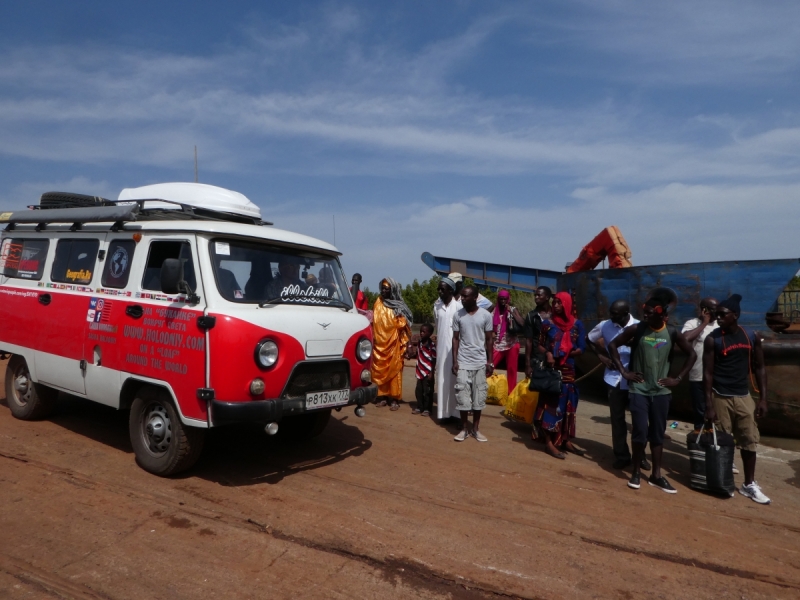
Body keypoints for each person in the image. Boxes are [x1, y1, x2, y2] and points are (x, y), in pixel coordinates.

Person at [609, 291, 696, 494]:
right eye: (644, 312)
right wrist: (624, 372)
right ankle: (636, 472)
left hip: (661, 392)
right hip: (639, 389)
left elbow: (691, 354)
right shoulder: (636, 330)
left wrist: (677, 378)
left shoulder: (672, 333)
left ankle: (656, 475)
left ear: (661, 314)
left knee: (657, 434)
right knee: (639, 432)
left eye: (649, 313)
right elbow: (613, 345)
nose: (645, 316)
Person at [704, 294, 770, 504]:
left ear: (735, 315)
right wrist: (708, 404)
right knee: (723, 441)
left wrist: (763, 399)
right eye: (716, 314)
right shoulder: (713, 339)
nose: (718, 317)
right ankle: (723, 481)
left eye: (722, 314)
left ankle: (749, 484)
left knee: (749, 440)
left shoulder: (750, 336)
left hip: (743, 396)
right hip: (720, 396)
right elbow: (707, 374)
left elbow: (760, 368)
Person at [586, 300, 650, 471]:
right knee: (617, 419)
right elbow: (589, 339)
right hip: (614, 379)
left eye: (615, 313)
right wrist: (601, 357)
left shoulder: (640, 326)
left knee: (640, 421)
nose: (611, 316)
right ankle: (621, 455)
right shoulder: (605, 326)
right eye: (611, 312)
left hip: (636, 379)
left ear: (626, 313)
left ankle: (640, 455)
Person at [533, 291, 586, 459]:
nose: (555, 306)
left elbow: (581, 348)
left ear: (567, 305)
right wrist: (549, 353)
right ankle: (549, 442)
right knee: (550, 405)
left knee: (569, 406)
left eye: (559, 303)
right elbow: (539, 345)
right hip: (552, 371)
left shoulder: (578, 325)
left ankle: (565, 439)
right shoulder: (547, 324)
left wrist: (565, 353)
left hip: (569, 371)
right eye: (554, 302)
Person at [452, 285, 494, 442]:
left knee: (479, 397)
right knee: (462, 397)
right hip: (463, 361)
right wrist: (455, 361)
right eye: (461, 296)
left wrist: (490, 361)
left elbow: (489, 339)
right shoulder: (458, 316)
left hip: (479, 363)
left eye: (465, 296)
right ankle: (464, 429)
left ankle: (475, 429)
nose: (462, 299)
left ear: (475, 297)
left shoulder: (485, 316)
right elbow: (455, 339)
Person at [371, 278, 412, 411]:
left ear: (393, 290)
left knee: (394, 370)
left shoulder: (398, 305)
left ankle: (394, 398)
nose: (383, 291)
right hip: (379, 343)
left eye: (386, 288)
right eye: (382, 288)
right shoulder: (378, 302)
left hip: (393, 343)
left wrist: (401, 321)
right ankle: (382, 396)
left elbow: (406, 322)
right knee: (380, 370)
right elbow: (374, 321)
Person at [681, 297, 719, 431]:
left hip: (717, 375)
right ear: (705, 310)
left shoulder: (720, 325)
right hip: (698, 375)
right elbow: (685, 339)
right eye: (714, 310)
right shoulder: (692, 323)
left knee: (717, 409)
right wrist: (704, 323)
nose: (718, 312)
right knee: (700, 410)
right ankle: (700, 436)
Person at [434, 277, 462, 422]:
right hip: (441, 350)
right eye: (439, 289)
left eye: (442, 289)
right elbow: (437, 324)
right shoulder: (437, 306)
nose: (440, 291)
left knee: (455, 381)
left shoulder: (458, 307)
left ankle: (457, 416)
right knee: (443, 380)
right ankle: (444, 413)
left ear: (451, 290)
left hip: (455, 350)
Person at [492, 289, 525, 394]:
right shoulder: (494, 310)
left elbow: (522, 324)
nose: (503, 301)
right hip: (498, 344)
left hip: (511, 344)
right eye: (501, 299)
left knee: (512, 370)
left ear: (508, 299)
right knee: (488, 366)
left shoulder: (513, 309)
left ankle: (511, 393)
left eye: (505, 299)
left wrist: (511, 311)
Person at [412, 323, 436, 416]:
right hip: (419, 372)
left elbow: (434, 359)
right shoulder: (419, 343)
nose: (421, 333)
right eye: (420, 331)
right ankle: (419, 407)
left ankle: (427, 409)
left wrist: (431, 373)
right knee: (419, 391)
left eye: (423, 332)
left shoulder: (432, 345)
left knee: (428, 392)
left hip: (427, 372)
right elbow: (417, 354)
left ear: (430, 333)